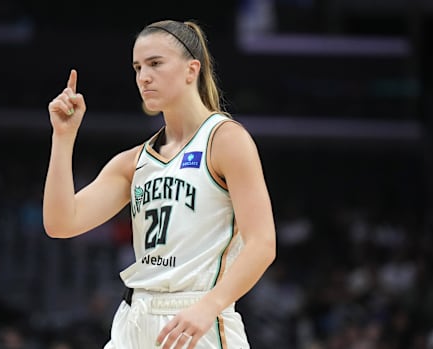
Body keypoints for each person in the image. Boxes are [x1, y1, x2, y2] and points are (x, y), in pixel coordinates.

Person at [43, 19, 276, 349]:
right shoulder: (133, 161)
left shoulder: (225, 140)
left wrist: (210, 305)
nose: (143, 77)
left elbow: (263, 244)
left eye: (155, 64)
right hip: (134, 317)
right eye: (137, 67)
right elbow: (60, 223)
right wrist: (63, 138)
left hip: (196, 317)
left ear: (191, 70)